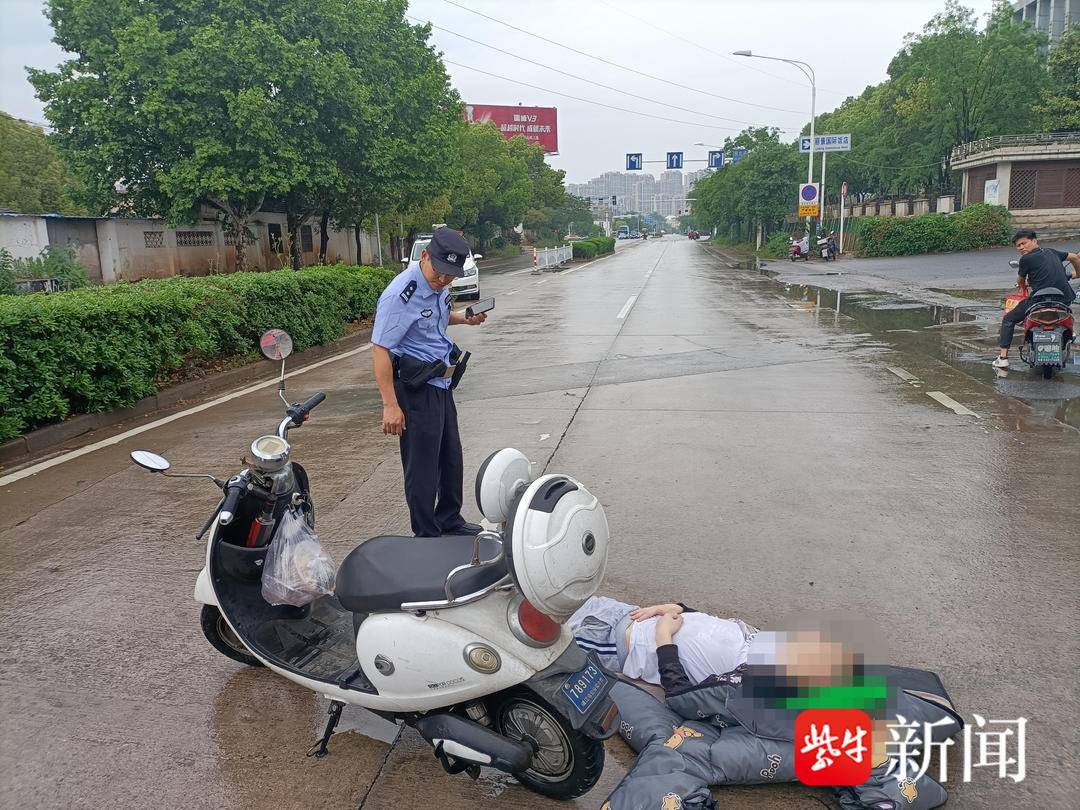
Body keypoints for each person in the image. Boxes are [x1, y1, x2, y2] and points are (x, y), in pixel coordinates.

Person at [371, 227, 488, 537]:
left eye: (450, 275)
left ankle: (449, 519)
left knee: (450, 455)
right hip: (415, 387)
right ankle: (425, 533)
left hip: (440, 382)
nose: (444, 280)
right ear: (424, 256)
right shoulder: (401, 294)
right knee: (422, 466)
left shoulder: (439, 285)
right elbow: (380, 348)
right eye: (439, 272)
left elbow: (437, 315)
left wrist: (464, 317)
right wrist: (390, 406)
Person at [568, 596, 756, 688]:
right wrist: (678, 608)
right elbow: (720, 627)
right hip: (628, 613)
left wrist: (664, 636)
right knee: (550, 596)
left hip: (613, 641)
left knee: (544, 632)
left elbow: (684, 699)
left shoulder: (757, 690)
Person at [993, 230, 1080, 369]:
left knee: (1009, 319)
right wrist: (1079, 272)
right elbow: (1075, 257)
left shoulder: (1026, 259)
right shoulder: (1052, 252)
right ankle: (1070, 334)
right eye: (1018, 245)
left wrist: (1023, 285)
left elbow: (1020, 280)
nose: (1021, 247)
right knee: (1066, 316)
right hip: (1063, 300)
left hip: (1040, 301)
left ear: (1034, 240)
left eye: (1024, 243)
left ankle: (1003, 358)